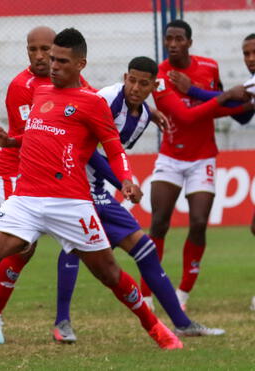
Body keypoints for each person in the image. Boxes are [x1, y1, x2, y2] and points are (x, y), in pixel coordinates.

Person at [0, 28, 182, 363]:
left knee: (109, 274)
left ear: (80, 64)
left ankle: (155, 327)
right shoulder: (40, 93)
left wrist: (125, 180)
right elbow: (35, 134)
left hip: (70, 203)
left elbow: (114, 149)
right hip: (27, 198)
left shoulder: (92, 103)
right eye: (51, 58)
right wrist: (10, 141)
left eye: (61, 60)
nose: (52, 65)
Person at [47, 56, 224, 343]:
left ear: (154, 86)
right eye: (132, 80)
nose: (136, 88)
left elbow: (110, 152)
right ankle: (61, 323)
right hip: (73, 185)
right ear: (124, 77)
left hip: (98, 191)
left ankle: (182, 323)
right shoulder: (106, 98)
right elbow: (87, 148)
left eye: (144, 84)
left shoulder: (142, 117)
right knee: (72, 247)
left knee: (145, 249)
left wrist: (120, 181)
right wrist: (124, 182)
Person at [0, 26, 91, 344]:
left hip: (50, 176)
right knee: (21, 245)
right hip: (16, 171)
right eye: (33, 50)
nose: (40, 57)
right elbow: (33, 139)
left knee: (66, 244)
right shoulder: (21, 86)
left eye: (45, 49)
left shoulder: (74, 81)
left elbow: (94, 107)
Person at [144, 20, 252, 310]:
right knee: (159, 222)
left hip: (203, 157)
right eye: (169, 39)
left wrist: (242, 107)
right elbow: (186, 116)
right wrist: (229, 97)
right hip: (170, 158)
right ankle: (146, 295)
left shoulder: (209, 66)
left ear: (190, 42)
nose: (173, 44)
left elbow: (223, 109)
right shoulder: (161, 75)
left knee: (200, 223)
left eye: (179, 38)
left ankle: (182, 295)